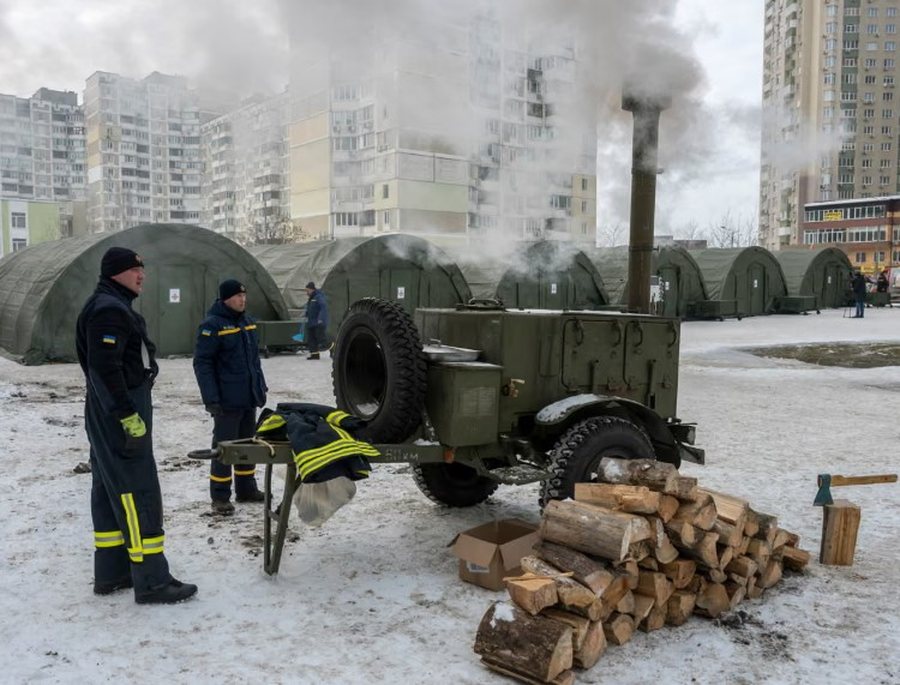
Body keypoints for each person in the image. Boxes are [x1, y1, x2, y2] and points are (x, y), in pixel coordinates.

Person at [76, 246, 197, 604]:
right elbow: (104, 368)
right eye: (134, 270)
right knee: (137, 491)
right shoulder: (109, 310)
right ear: (115, 273)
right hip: (120, 412)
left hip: (108, 410)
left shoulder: (110, 304)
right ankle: (152, 580)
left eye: (142, 269)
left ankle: (113, 571)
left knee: (108, 487)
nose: (142, 275)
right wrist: (126, 414)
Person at [193, 279, 268, 516]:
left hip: (248, 396)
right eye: (237, 296)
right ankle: (220, 495)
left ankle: (246, 489)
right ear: (226, 299)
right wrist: (211, 398)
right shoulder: (212, 325)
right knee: (224, 448)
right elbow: (202, 364)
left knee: (247, 445)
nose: (242, 300)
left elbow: (253, 362)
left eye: (244, 296)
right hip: (226, 400)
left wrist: (260, 388)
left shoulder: (248, 322)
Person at [304, 281, 329, 360]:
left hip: (318, 322)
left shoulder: (318, 297)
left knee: (322, 338)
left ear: (312, 289)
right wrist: (306, 314)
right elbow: (311, 307)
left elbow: (323, 307)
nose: (306, 293)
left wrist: (321, 318)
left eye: (307, 290)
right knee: (311, 339)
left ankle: (333, 348)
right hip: (311, 322)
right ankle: (314, 354)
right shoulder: (312, 298)